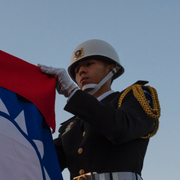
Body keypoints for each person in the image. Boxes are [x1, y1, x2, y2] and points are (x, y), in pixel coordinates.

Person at [39, 39, 161, 180]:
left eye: (89, 64)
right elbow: (45, 161)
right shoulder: (69, 127)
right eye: (77, 71)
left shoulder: (135, 96)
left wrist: (72, 93)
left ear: (111, 68)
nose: (81, 72)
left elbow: (119, 128)